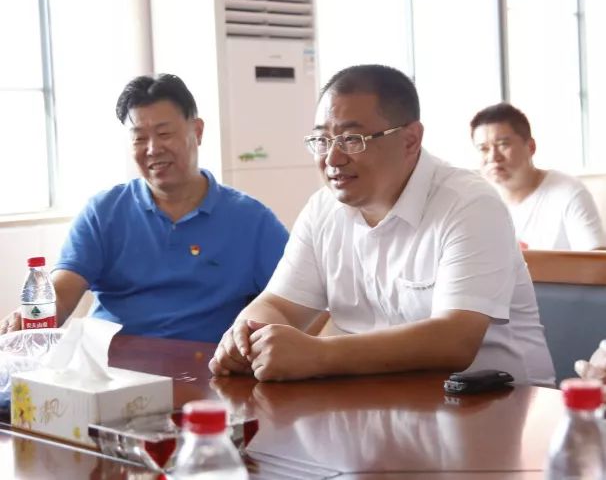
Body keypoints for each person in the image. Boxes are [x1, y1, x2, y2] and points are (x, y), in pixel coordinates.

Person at [209, 64, 554, 384]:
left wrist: (318, 354)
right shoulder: (322, 209)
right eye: (322, 141)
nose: (332, 158)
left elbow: (455, 340)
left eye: (351, 139)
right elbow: (279, 305)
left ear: (410, 140)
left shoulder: (469, 204)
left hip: (499, 406)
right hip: (379, 401)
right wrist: (245, 335)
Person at [0, 74, 288, 342]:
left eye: (164, 133)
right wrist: (30, 317)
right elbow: (62, 293)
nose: (152, 149)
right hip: (109, 368)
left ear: (197, 131)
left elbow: (301, 301)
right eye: (139, 138)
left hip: (206, 370)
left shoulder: (251, 220)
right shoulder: (104, 212)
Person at [470, 102, 606, 250]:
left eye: (503, 144)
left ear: (530, 147)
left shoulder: (568, 192)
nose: (493, 157)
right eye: (483, 148)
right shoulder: (477, 201)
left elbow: (595, 260)